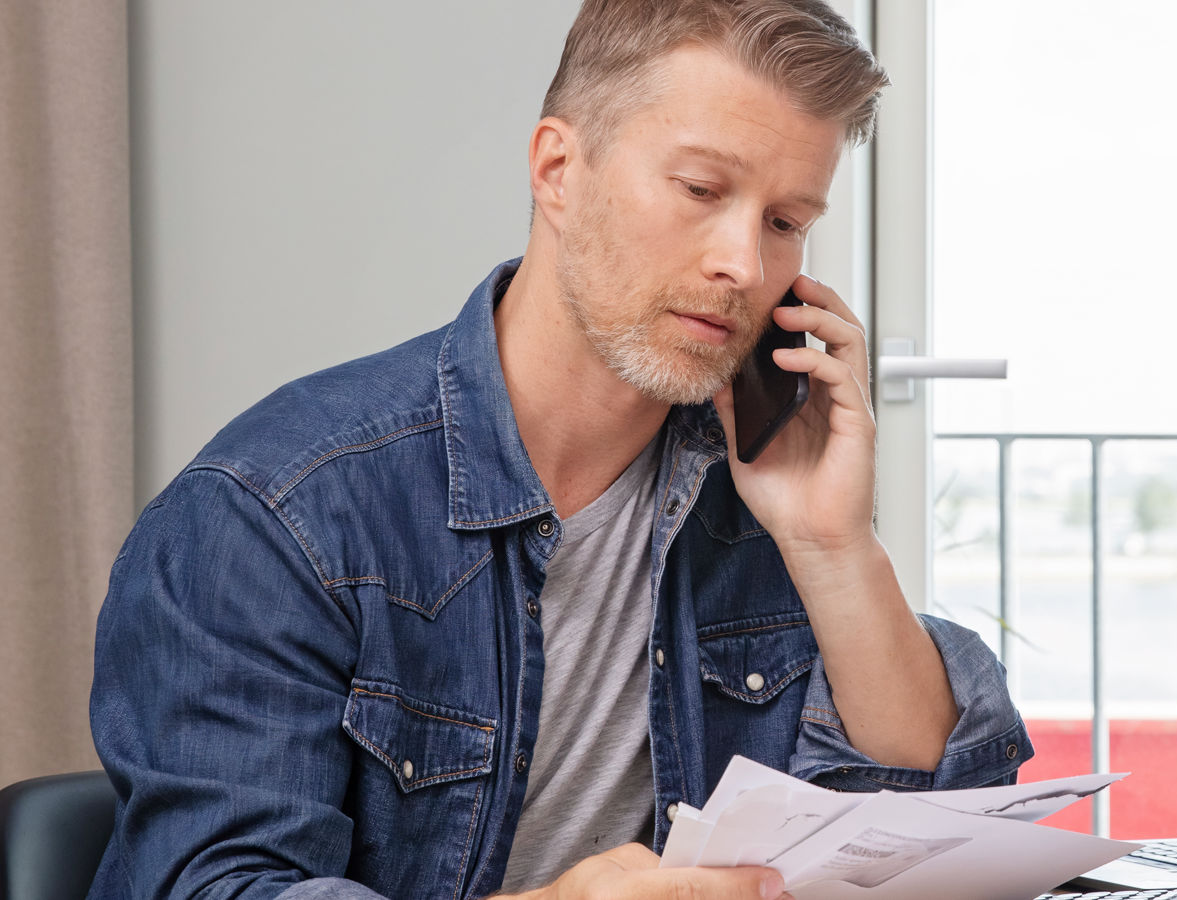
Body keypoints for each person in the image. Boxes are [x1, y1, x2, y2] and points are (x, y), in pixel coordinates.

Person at [88, 2, 1032, 898]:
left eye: (785, 222)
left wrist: (835, 549)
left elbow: (939, 828)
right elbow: (216, 885)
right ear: (556, 170)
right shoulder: (275, 513)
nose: (744, 265)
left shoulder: (762, 487)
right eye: (702, 190)